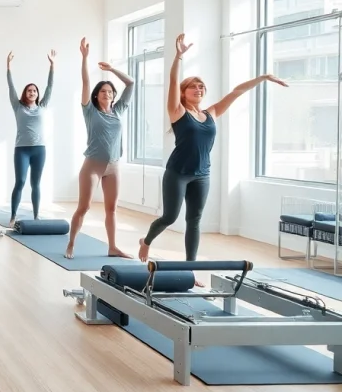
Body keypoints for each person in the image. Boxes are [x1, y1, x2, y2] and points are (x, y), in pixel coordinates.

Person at [138, 33, 287, 279]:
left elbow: (237, 91)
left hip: (202, 174)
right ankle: (147, 240)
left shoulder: (211, 113)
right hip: (177, 173)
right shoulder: (177, 112)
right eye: (193, 87)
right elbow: (173, 81)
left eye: (201, 86)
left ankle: (190, 270)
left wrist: (262, 78)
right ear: (183, 93)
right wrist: (177, 57)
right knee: (170, 216)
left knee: (194, 222)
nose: (198, 89)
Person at [65, 37, 135, 260]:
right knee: (83, 208)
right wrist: (85, 58)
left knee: (111, 209)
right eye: (103, 91)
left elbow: (131, 83)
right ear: (97, 95)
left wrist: (112, 69)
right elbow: (85, 83)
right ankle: (71, 244)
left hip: (113, 167)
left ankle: (113, 247)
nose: (108, 94)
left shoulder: (119, 110)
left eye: (111, 92)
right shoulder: (90, 111)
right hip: (93, 167)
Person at [6, 49, 55, 227]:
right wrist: (8, 66)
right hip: (22, 150)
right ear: (25, 93)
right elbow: (11, 87)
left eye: (34, 90)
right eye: (29, 90)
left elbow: (50, 88)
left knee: (36, 183)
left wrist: (52, 66)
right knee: (20, 181)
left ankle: (36, 216)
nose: (32, 92)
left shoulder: (42, 106)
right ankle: (12, 216)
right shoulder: (17, 106)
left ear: (37, 93)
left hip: (39, 149)